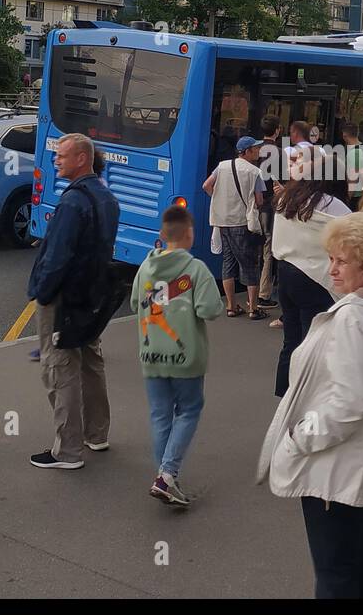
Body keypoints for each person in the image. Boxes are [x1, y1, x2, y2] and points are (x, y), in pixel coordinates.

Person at [257, 213, 363, 598]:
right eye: (330, 258)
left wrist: (300, 436)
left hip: (337, 470)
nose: (331, 270)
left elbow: (350, 403)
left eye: (341, 261)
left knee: (335, 576)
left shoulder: (354, 320)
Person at [26, 133, 120, 470]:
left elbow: (56, 256)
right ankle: (97, 433)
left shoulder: (71, 202)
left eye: (61, 156)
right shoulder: (107, 197)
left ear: (82, 158)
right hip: (92, 294)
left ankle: (67, 451)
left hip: (64, 297)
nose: (56, 161)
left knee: (59, 366)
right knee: (91, 360)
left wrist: (42, 291)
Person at [131, 206, 224, 507]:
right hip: (186, 357)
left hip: (151, 355)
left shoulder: (146, 267)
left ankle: (165, 476)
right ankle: (167, 474)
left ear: (161, 234)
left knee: (160, 414)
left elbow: (136, 303)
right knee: (188, 410)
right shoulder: (196, 270)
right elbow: (210, 310)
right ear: (190, 234)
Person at [272, 156, 352, 397]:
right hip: (314, 280)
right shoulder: (333, 205)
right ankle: (307, 396)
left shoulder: (288, 198)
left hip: (285, 274)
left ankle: (285, 393)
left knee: (291, 340)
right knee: (313, 343)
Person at [203, 136, 268, 320]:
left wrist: (219, 201)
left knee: (228, 263)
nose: (258, 151)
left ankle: (231, 306)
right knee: (249, 265)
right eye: (255, 149)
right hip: (242, 222)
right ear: (246, 151)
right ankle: (253, 309)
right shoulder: (254, 172)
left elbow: (206, 185)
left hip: (222, 221)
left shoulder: (222, 166)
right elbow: (260, 200)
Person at [257, 115, 283, 308]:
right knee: (269, 247)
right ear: (277, 131)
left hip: (253, 204)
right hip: (270, 205)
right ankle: (263, 294)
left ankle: (251, 286)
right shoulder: (280, 154)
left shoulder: (254, 150)